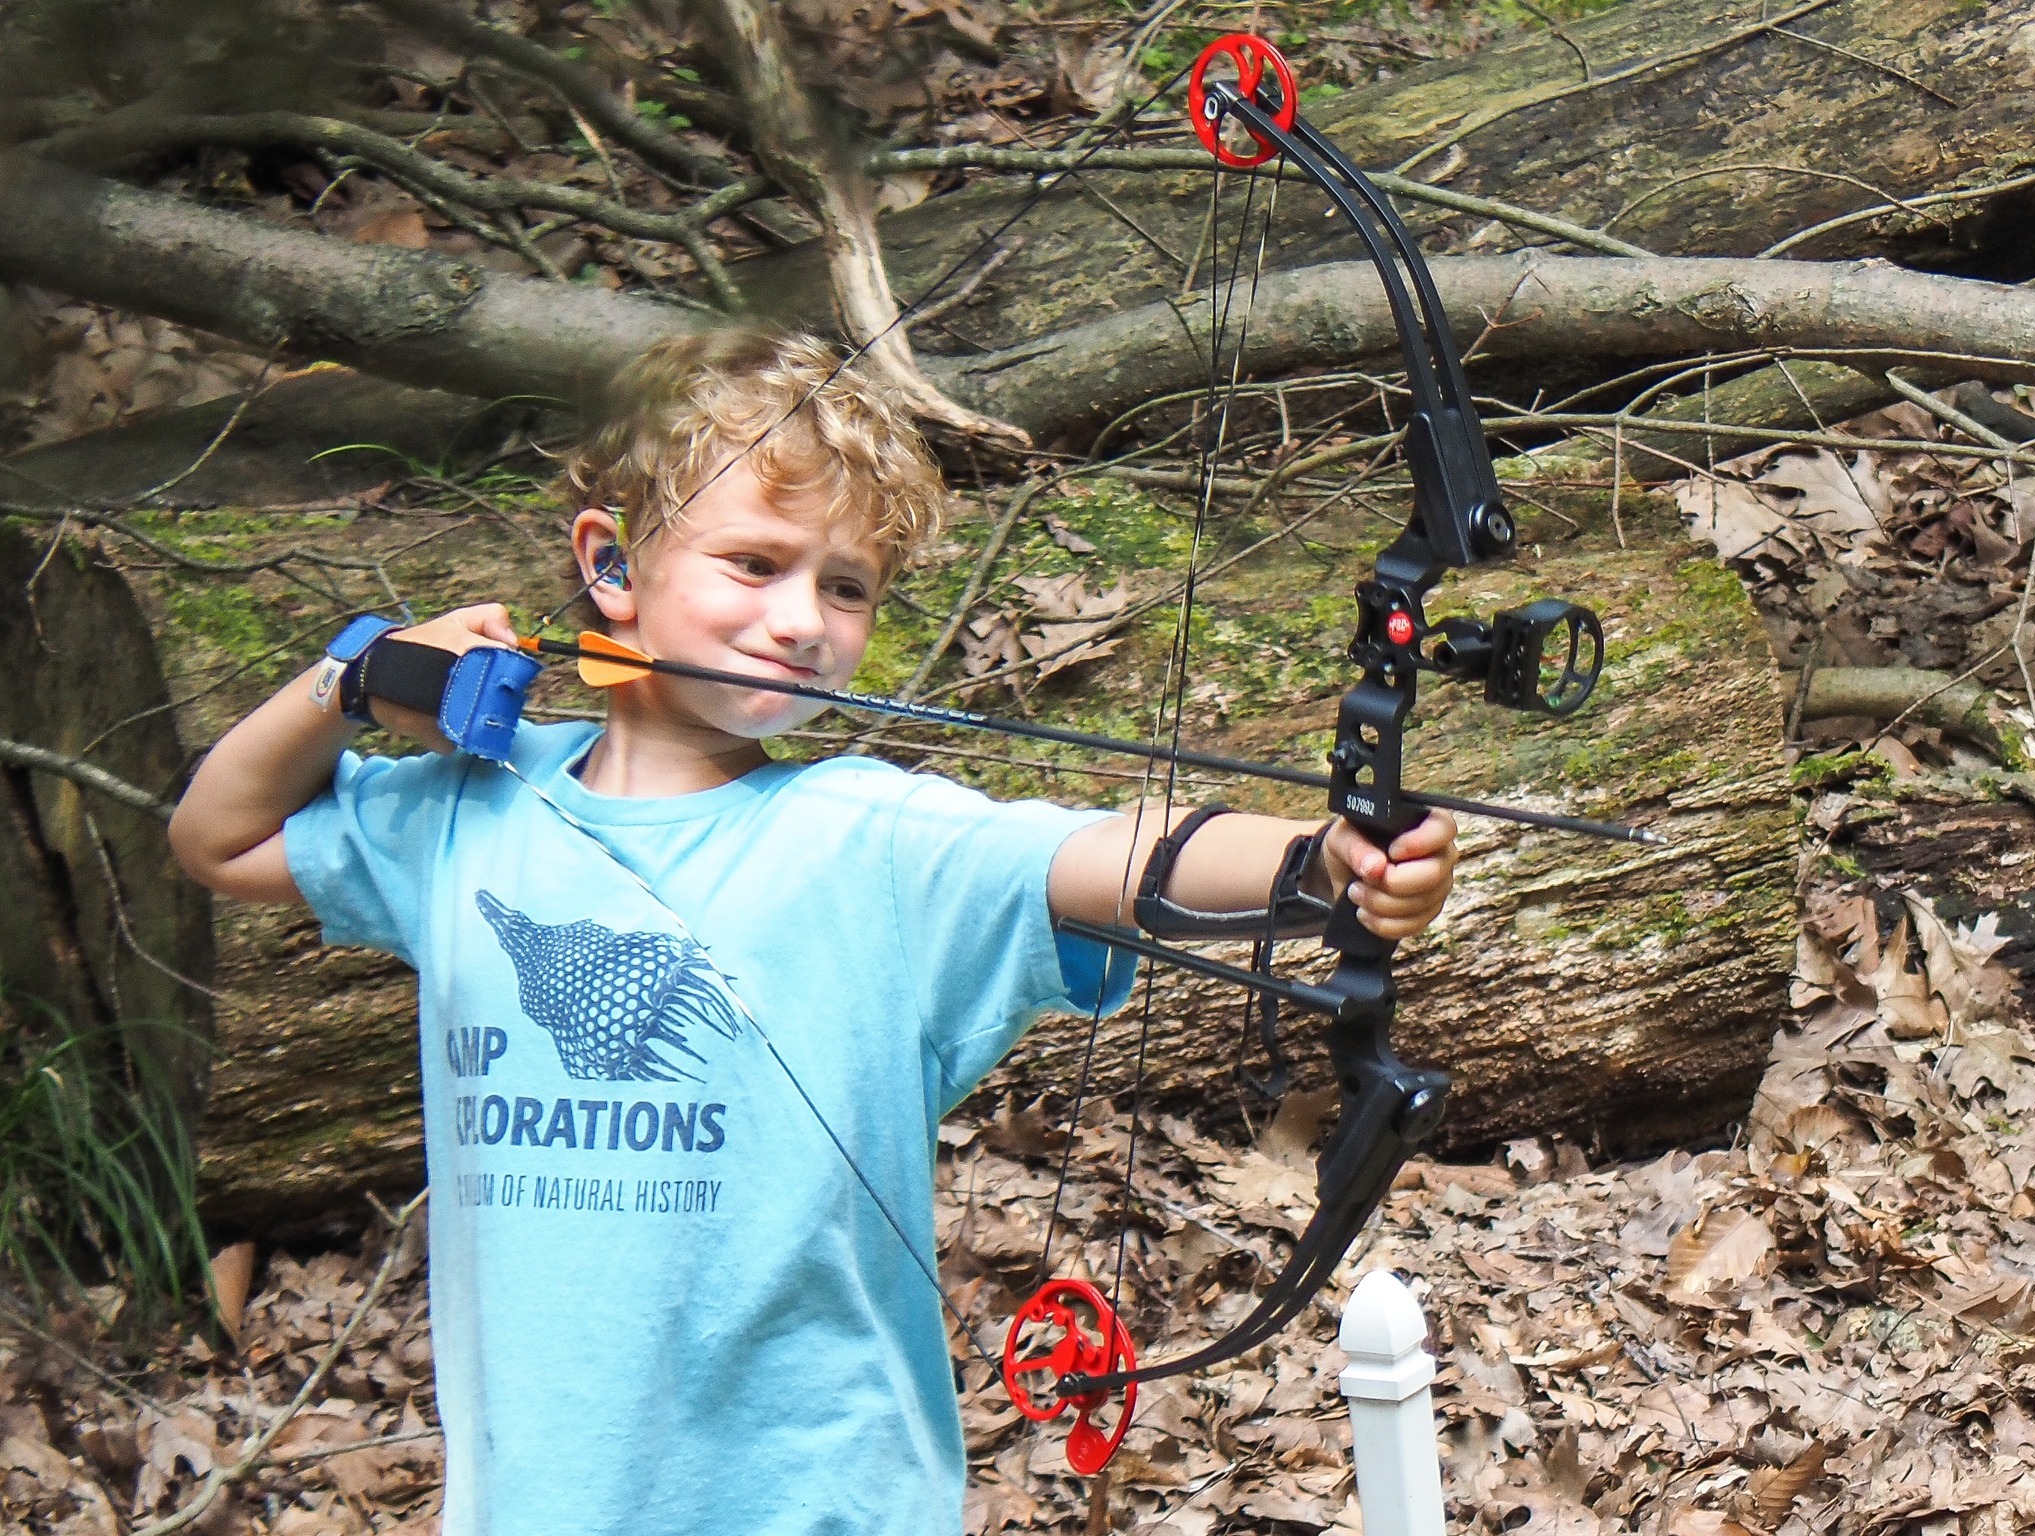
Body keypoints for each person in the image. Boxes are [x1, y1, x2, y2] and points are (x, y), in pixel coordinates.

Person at [168, 330, 1458, 1536]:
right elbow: (216, 840)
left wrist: (1323, 862)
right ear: (611, 568)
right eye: (754, 563)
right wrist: (351, 678)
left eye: (845, 588)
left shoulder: (873, 831)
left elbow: (1108, 856)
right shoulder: (462, 813)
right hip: (541, 1494)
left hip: (820, 1492)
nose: (801, 620)